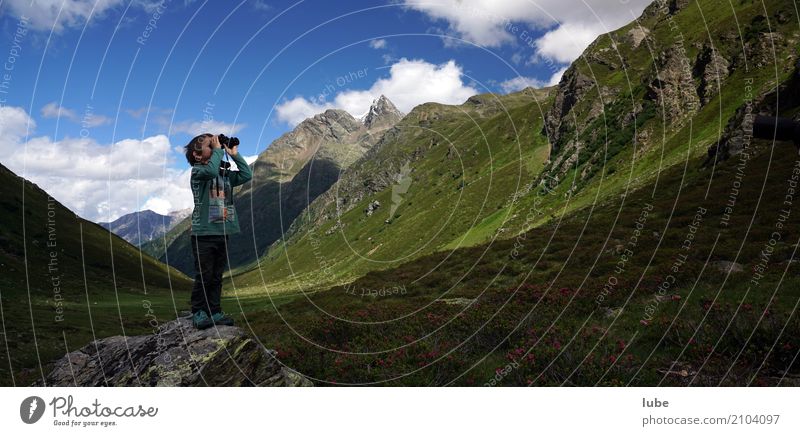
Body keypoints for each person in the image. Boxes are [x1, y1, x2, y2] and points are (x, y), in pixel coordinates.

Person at [183, 133, 252, 329]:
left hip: (223, 232)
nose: (215, 148)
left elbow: (247, 175)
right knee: (204, 275)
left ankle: (214, 311)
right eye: (210, 146)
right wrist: (219, 151)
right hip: (203, 233)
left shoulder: (224, 174)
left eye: (216, 145)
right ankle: (198, 311)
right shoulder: (198, 172)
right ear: (197, 155)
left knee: (216, 276)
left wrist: (234, 154)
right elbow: (211, 171)